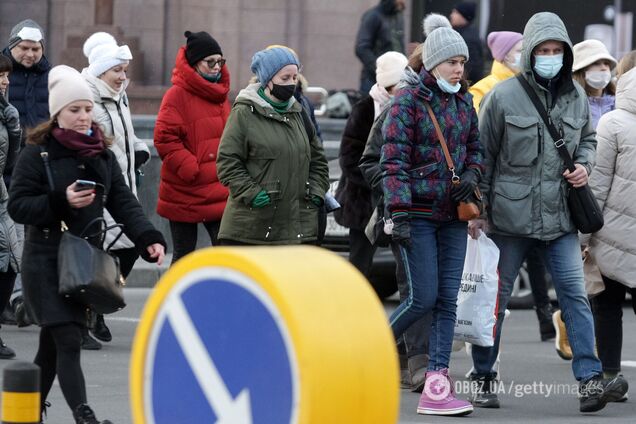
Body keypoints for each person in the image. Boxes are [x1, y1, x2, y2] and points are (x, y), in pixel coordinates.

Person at [467, 12, 628, 413]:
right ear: (531, 53)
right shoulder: (502, 98)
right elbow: (483, 157)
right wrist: (478, 212)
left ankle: (590, 381)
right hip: (509, 219)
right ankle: (484, 375)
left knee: (575, 297)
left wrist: (585, 164)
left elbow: (588, 138)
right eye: (544, 51)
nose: (551, 57)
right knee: (496, 302)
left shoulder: (574, 97)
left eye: (557, 51)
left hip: (560, 218)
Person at [7, 65, 166, 424]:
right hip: (44, 260)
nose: (83, 117)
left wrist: (149, 239)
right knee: (67, 338)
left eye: (86, 108)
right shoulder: (38, 154)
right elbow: (18, 206)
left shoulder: (101, 155)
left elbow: (124, 204)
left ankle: (25, 414)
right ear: (57, 113)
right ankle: (85, 417)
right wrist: (60, 201)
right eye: (73, 110)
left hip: (82, 262)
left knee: (52, 345)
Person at [381, 24, 483, 416]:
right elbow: (393, 162)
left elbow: (476, 150)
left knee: (447, 301)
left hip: (453, 217)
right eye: (451, 62)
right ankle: (368, 350)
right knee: (422, 297)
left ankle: (436, 385)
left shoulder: (464, 103)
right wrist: (400, 212)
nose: (458, 69)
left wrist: (472, 176)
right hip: (418, 216)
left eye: (461, 62)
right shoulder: (407, 103)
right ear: (433, 63)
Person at [471, 30, 556, 342]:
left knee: (535, 261)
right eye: (520, 49)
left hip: (533, 194)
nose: (526, 54)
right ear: (503, 54)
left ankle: (547, 320)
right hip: (505, 194)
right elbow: (484, 143)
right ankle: (485, 346)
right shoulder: (486, 90)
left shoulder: (536, 87)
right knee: (502, 275)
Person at [81, 32, 151, 348]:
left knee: (128, 247)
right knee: (103, 253)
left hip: (124, 184)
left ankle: (99, 305)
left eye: (124, 71)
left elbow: (127, 134)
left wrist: (139, 149)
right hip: (100, 191)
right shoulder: (88, 101)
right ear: (100, 72)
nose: (123, 77)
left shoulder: (117, 95)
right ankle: (92, 310)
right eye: (117, 71)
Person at [217, 46, 329, 245]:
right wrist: (252, 194)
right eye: (285, 78)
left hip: (297, 227)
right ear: (268, 80)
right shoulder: (244, 112)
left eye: (295, 77)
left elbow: (318, 160)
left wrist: (316, 192)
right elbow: (228, 162)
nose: (292, 83)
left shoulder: (299, 112)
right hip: (252, 229)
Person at [551, 39, 618, 360]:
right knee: (583, 274)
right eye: (595, 66)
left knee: (600, 276)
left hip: (612, 196)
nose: (602, 72)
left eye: (606, 66)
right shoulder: (574, 104)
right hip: (581, 192)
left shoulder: (619, 104)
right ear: (580, 71)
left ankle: (574, 326)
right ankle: (573, 327)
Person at [584, 59, 636, 401]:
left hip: (612, 235)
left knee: (607, 306)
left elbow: (597, 185)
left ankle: (611, 375)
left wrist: (584, 235)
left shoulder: (612, 123)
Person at [154, 31, 230, 265]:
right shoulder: (176, 95)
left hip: (217, 187)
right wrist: (190, 167)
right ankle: (172, 301)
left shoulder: (220, 95)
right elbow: (165, 138)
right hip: (185, 188)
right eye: (210, 62)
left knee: (225, 255)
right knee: (183, 257)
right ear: (194, 63)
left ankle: (220, 300)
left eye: (220, 61)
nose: (217, 67)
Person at [335, 51, 407, 278]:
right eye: (399, 84)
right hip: (363, 202)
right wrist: (380, 182)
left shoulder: (408, 108)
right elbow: (349, 157)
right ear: (387, 85)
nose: (404, 89)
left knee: (404, 265)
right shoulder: (365, 109)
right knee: (359, 264)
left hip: (395, 199)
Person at [2, 19, 52, 328]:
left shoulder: (52, 76)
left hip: (37, 165)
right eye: (24, 48)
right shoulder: (2, 75)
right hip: (6, 163)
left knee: (27, 235)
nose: (30, 54)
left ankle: (21, 298)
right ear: (11, 46)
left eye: (35, 49)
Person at [0, 54, 21, 359]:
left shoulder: (6, 112)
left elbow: (11, 162)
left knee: (10, 263)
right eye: (0, 75)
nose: (5, 81)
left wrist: (14, 130)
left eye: (6, 76)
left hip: (2, 195)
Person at [355, 0, 406, 93]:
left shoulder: (398, 16)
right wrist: (380, 69)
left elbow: (399, 46)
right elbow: (361, 48)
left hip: (395, 81)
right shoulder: (373, 16)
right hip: (373, 81)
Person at [572, 39, 616, 129]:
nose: (604, 68)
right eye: (596, 63)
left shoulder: (620, 103)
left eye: (606, 63)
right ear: (581, 71)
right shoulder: (570, 105)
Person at [450, 2, 484, 83]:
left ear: (464, 16)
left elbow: (473, 69)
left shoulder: (468, 39)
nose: (451, 15)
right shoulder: (463, 34)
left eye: (456, 12)